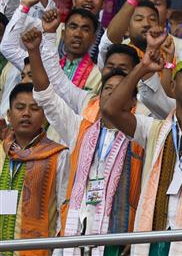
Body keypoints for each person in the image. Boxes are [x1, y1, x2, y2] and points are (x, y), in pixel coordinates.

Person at [101, 28, 182, 256]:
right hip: (153, 234)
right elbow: (110, 109)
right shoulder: (153, 129)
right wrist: (142, 67)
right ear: (172, 86)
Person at [23, 27, 143, 256]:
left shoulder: (142, 133)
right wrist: (34, 52)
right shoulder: (80, 128)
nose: (112, 94)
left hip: (118, 234)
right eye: (108, 88)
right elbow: (46, 96)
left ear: (132, 101)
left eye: (120, 90)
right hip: (74, 229)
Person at [0, 81, 68, 248]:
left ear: (44, 116)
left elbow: (64, 207)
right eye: (20, 107)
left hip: (39, 249)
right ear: (9, 115)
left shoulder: (58, 156)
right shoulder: (1, 152)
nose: (26, 114)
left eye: (35, 108)